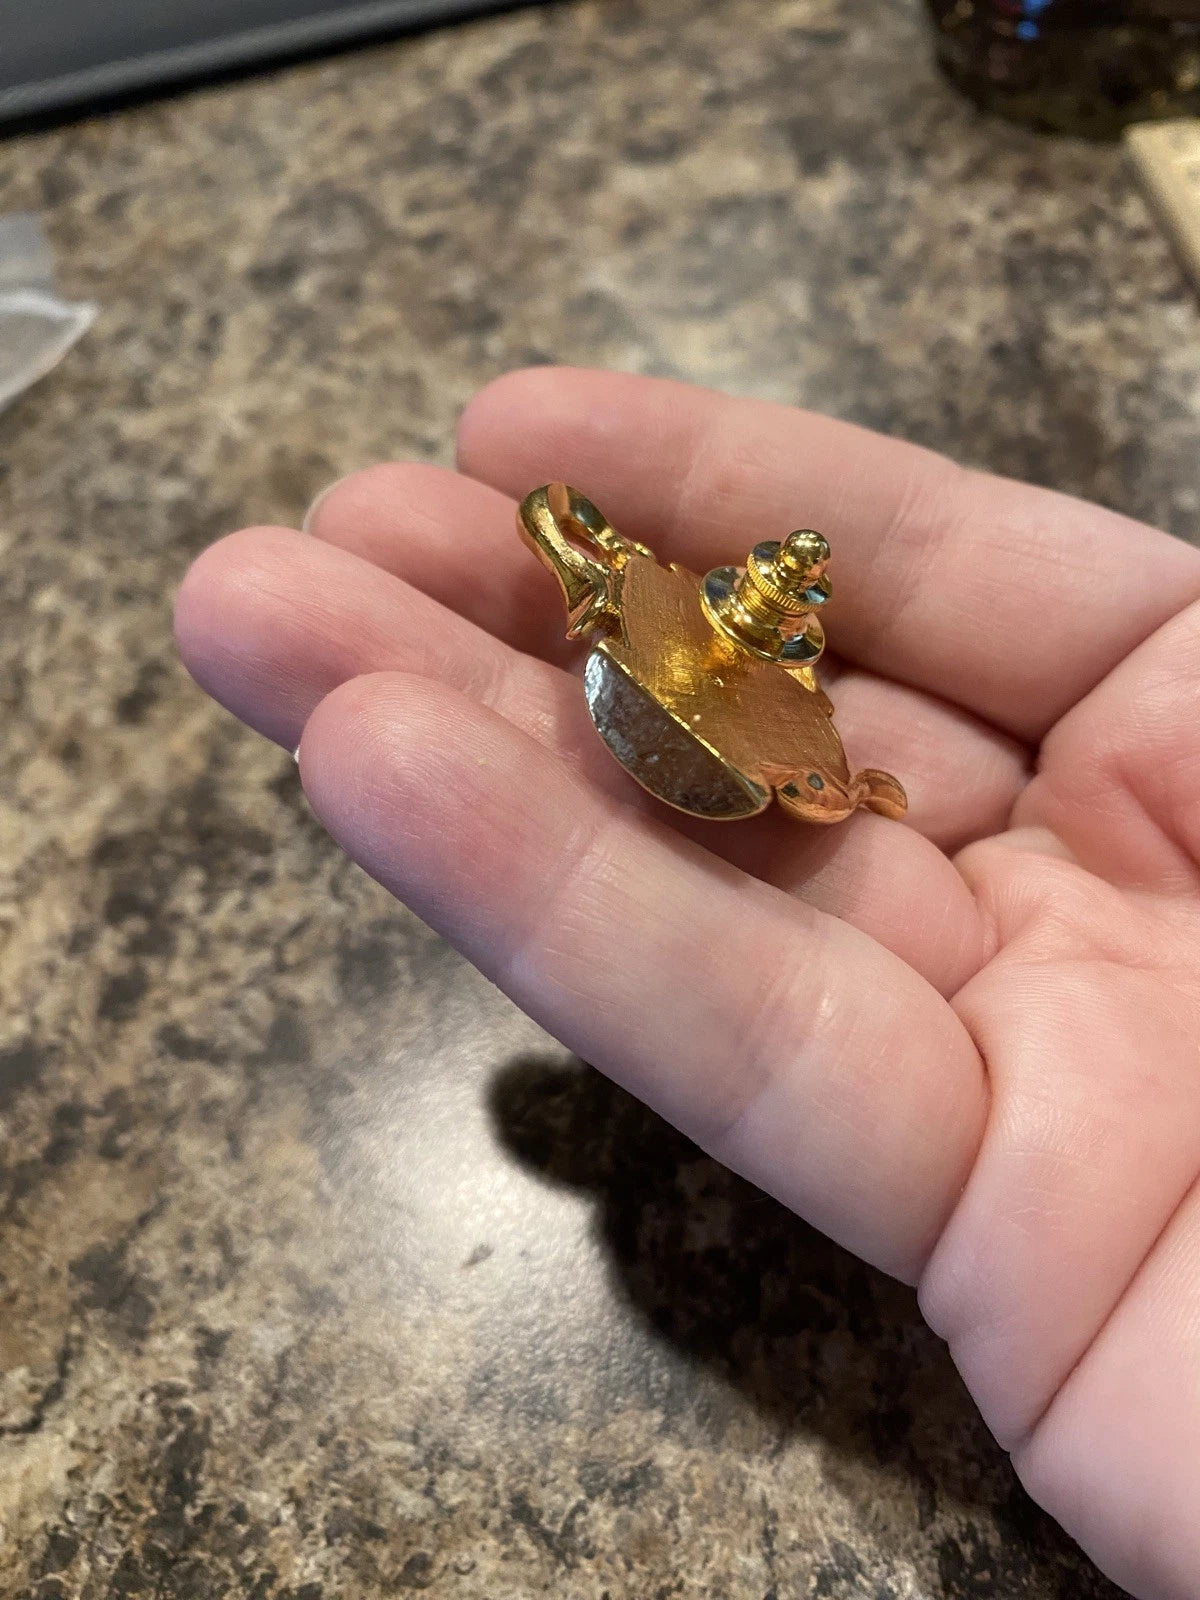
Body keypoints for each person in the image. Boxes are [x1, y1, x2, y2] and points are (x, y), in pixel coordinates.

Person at [174, 366, 1200, 1600]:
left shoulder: (782, 715)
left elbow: (815, 775)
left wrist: (844, 785)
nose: (771, 601)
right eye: (763, 596)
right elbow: (557, 514)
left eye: (784, 610)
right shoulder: (658, 609)